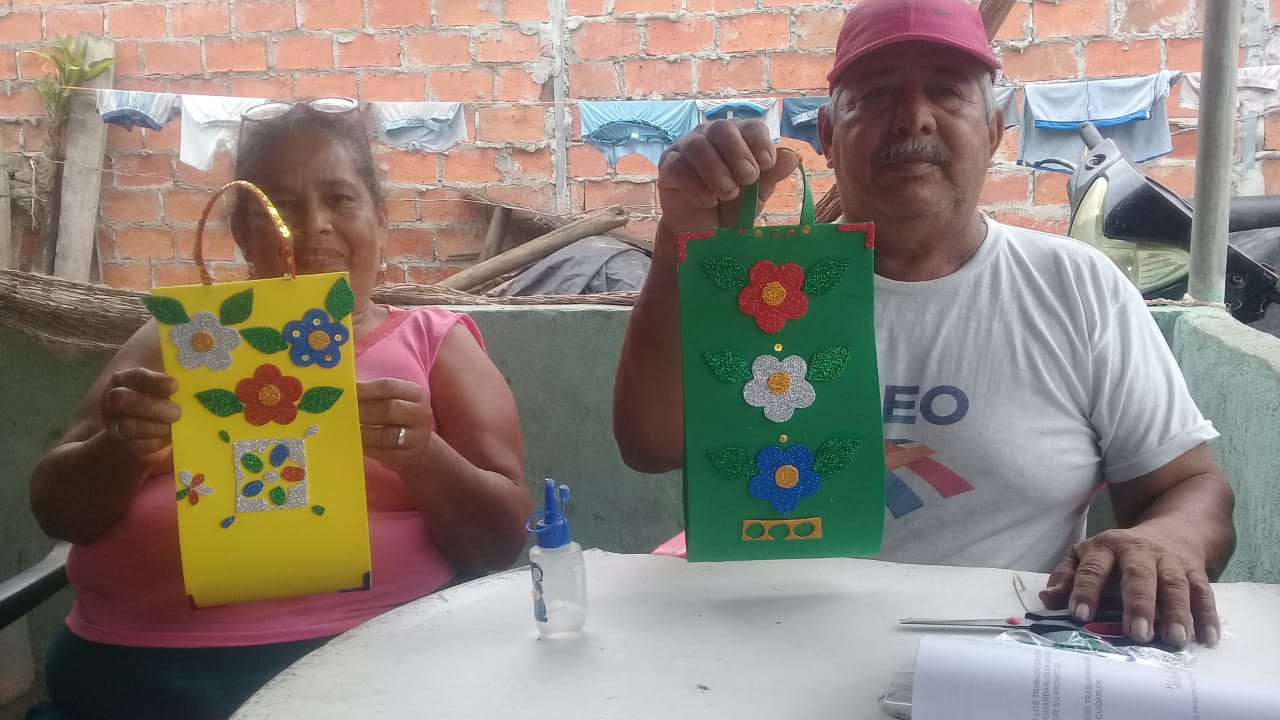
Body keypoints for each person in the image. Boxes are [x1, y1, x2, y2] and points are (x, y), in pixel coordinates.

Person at [613, 0, 1235, 651]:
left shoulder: (1078, 288)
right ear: (827, 133)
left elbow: (1190, 485)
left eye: (946, 90)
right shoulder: (760, 287)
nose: (913, 116)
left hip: (996, 661)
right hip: (764, 652)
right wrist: (682, 235)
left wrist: (1166, 539)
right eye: (876, 94)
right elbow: (648, 447)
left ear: (994, 130)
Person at [27, 98, 532, 720]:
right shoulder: (180, 339)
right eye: (282, 206)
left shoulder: (433, 342)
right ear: (242, 231)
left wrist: (424, 457)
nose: (314, 225)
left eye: (340, 198)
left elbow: (502, 540)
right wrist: (121, 448)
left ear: (379, 219)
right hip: (135, 682)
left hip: (368, 673)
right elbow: (56, 509)